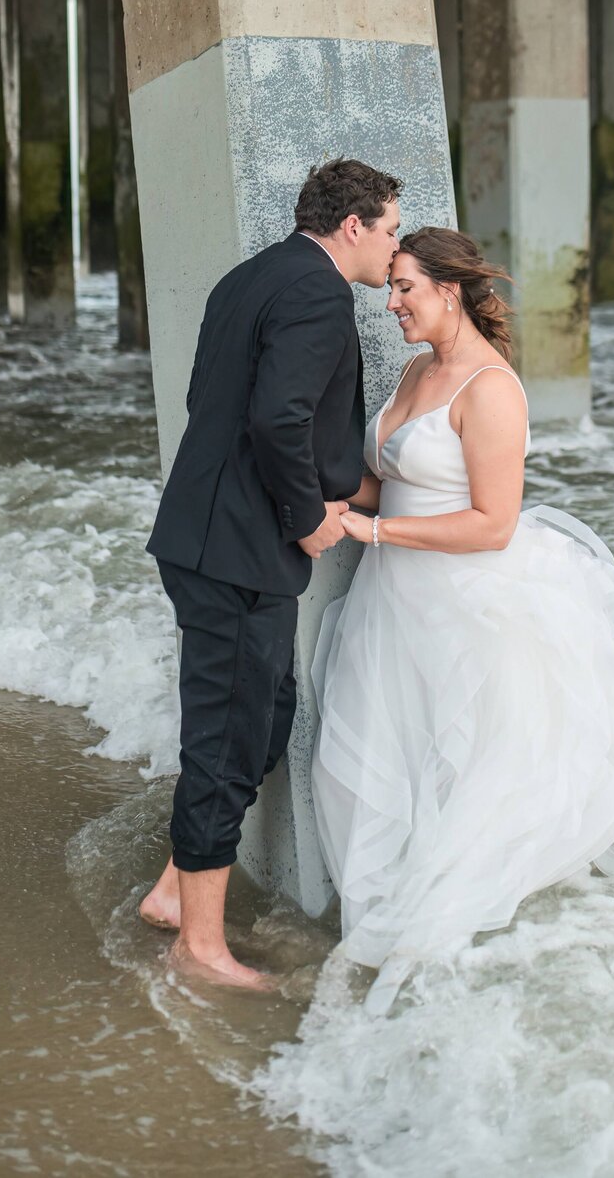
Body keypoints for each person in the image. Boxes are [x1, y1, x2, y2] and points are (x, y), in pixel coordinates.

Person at [312, 226, 614, 1010]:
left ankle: (464, 955)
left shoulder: (491, 389)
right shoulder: (420, 369)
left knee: (481, 775)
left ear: (449, 291)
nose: (390, 304)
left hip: (466, 601)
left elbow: (491, 522)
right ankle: (392, 929)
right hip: (394, 602)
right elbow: (398, 484)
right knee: (394, 762)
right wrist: (323, 487)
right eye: (391, 287)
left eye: (404, 288)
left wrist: (369, 531)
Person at [139, 159, 403, 989]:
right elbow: (278, 416)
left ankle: (173, 894)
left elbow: (213, 401)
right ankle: (200, 949)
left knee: (265, 713)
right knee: (226, 737)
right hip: (238, 550)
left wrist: (350, 483)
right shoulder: (318, 292)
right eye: (391, 230)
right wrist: (311, 515)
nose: (394, 252)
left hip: (214, 539)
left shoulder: (248, 277)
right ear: (353, 225)